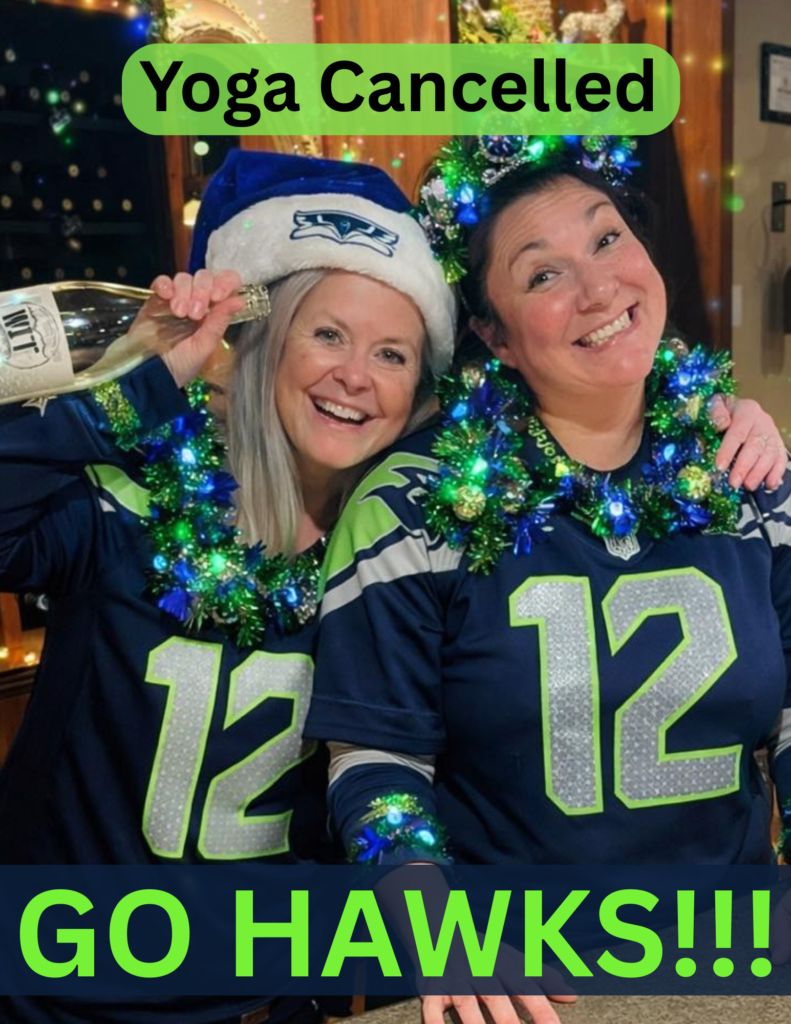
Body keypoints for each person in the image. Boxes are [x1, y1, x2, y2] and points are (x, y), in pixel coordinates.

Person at [304, 135, 791, 1020]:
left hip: (737, 967)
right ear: (490, 332)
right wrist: (436, 930)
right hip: (524, 990)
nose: (598, 289)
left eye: (606, 240)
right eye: (542, 275)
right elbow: (376, 758)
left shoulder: (744, 471)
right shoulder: (417, 505)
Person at [0, 149, 456, 1024]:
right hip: (52, 999)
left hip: (259, 1006)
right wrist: (143, 384)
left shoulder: (401, 559)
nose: (355, 375)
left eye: (392, 353)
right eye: (327, 333)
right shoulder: (129, 506)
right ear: (264, 338)